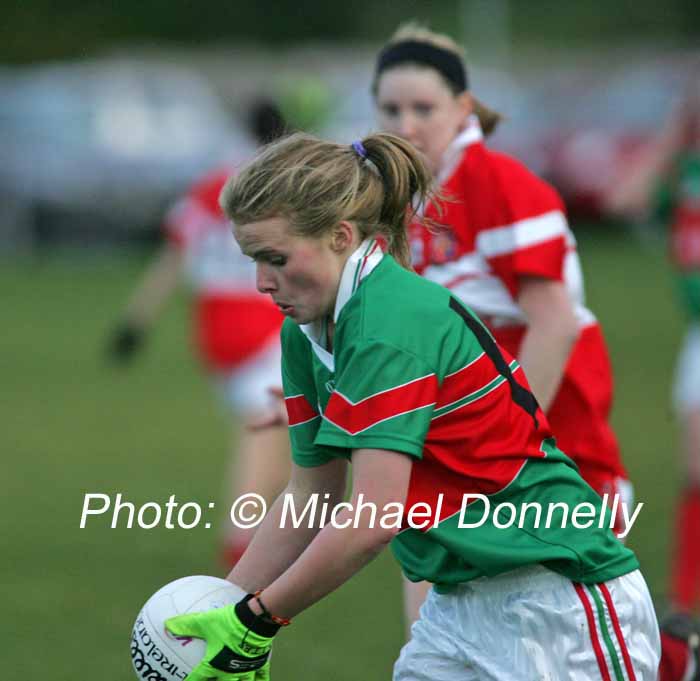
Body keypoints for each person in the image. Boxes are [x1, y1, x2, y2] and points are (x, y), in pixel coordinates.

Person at [164, 131, 660, 680]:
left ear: (340, 235)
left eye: (275, 258)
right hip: (456, 610)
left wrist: (256, 618)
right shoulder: (303, 332)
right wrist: (219, 609)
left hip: (558, 599)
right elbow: (311, 494)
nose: (260, 282)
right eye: (252, 260)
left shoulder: (390, 323)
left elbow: (373, 516)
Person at [369, 22, 634, 631]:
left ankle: (678, 659)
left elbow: (557, 324)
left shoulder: (502, 184)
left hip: (551, 449)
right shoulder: (402, 202)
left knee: (572, 641)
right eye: (390, 108)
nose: (404, 124)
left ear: (463, 107)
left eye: (423, 108)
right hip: (459, 453)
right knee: (436, 641)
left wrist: (501, 444)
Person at [107, 98, 291, 565]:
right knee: (262, 460)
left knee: (289, 460)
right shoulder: (279, 190)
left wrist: (135, 321)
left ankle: (269, 559)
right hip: (265, 333)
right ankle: (235, 575)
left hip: (216, 336)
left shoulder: (210, 187)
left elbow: (171, 261)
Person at [606, 72, 700, 681]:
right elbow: (625, 200)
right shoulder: (685, 168)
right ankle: (685, 605)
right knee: (696, 472)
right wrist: (674, 131)